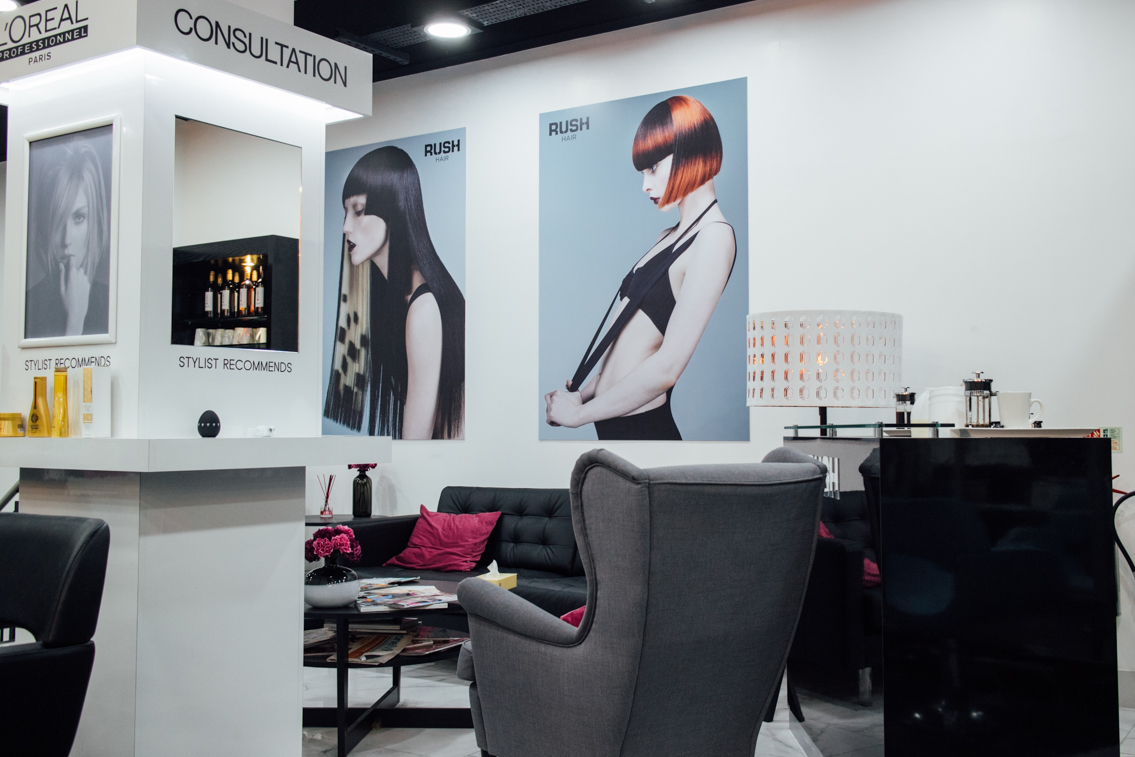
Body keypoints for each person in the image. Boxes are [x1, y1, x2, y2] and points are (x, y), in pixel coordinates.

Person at [545, 95, 736, 440]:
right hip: (615, 425)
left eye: (653, 168)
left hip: (645, 430)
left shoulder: (714, 237)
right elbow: (629, 351)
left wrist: (580, 414)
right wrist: (581, 395)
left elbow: (668, 366)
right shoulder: (669, 236)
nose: (645, 185)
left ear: (689, 152)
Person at [324, 146, 465, 440]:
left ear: (393, 209)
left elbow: (416, 443)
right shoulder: (400, 300)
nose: (346, 227)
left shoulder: (423, 308)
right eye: (346, 212)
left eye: (359, 211)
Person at [24, 135, 111, 339]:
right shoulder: (27, 307)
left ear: (94, 222)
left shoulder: (113, 303)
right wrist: (74, 322)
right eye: (58, 220)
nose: (66, 240)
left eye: (79, 218)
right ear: (45, 226)